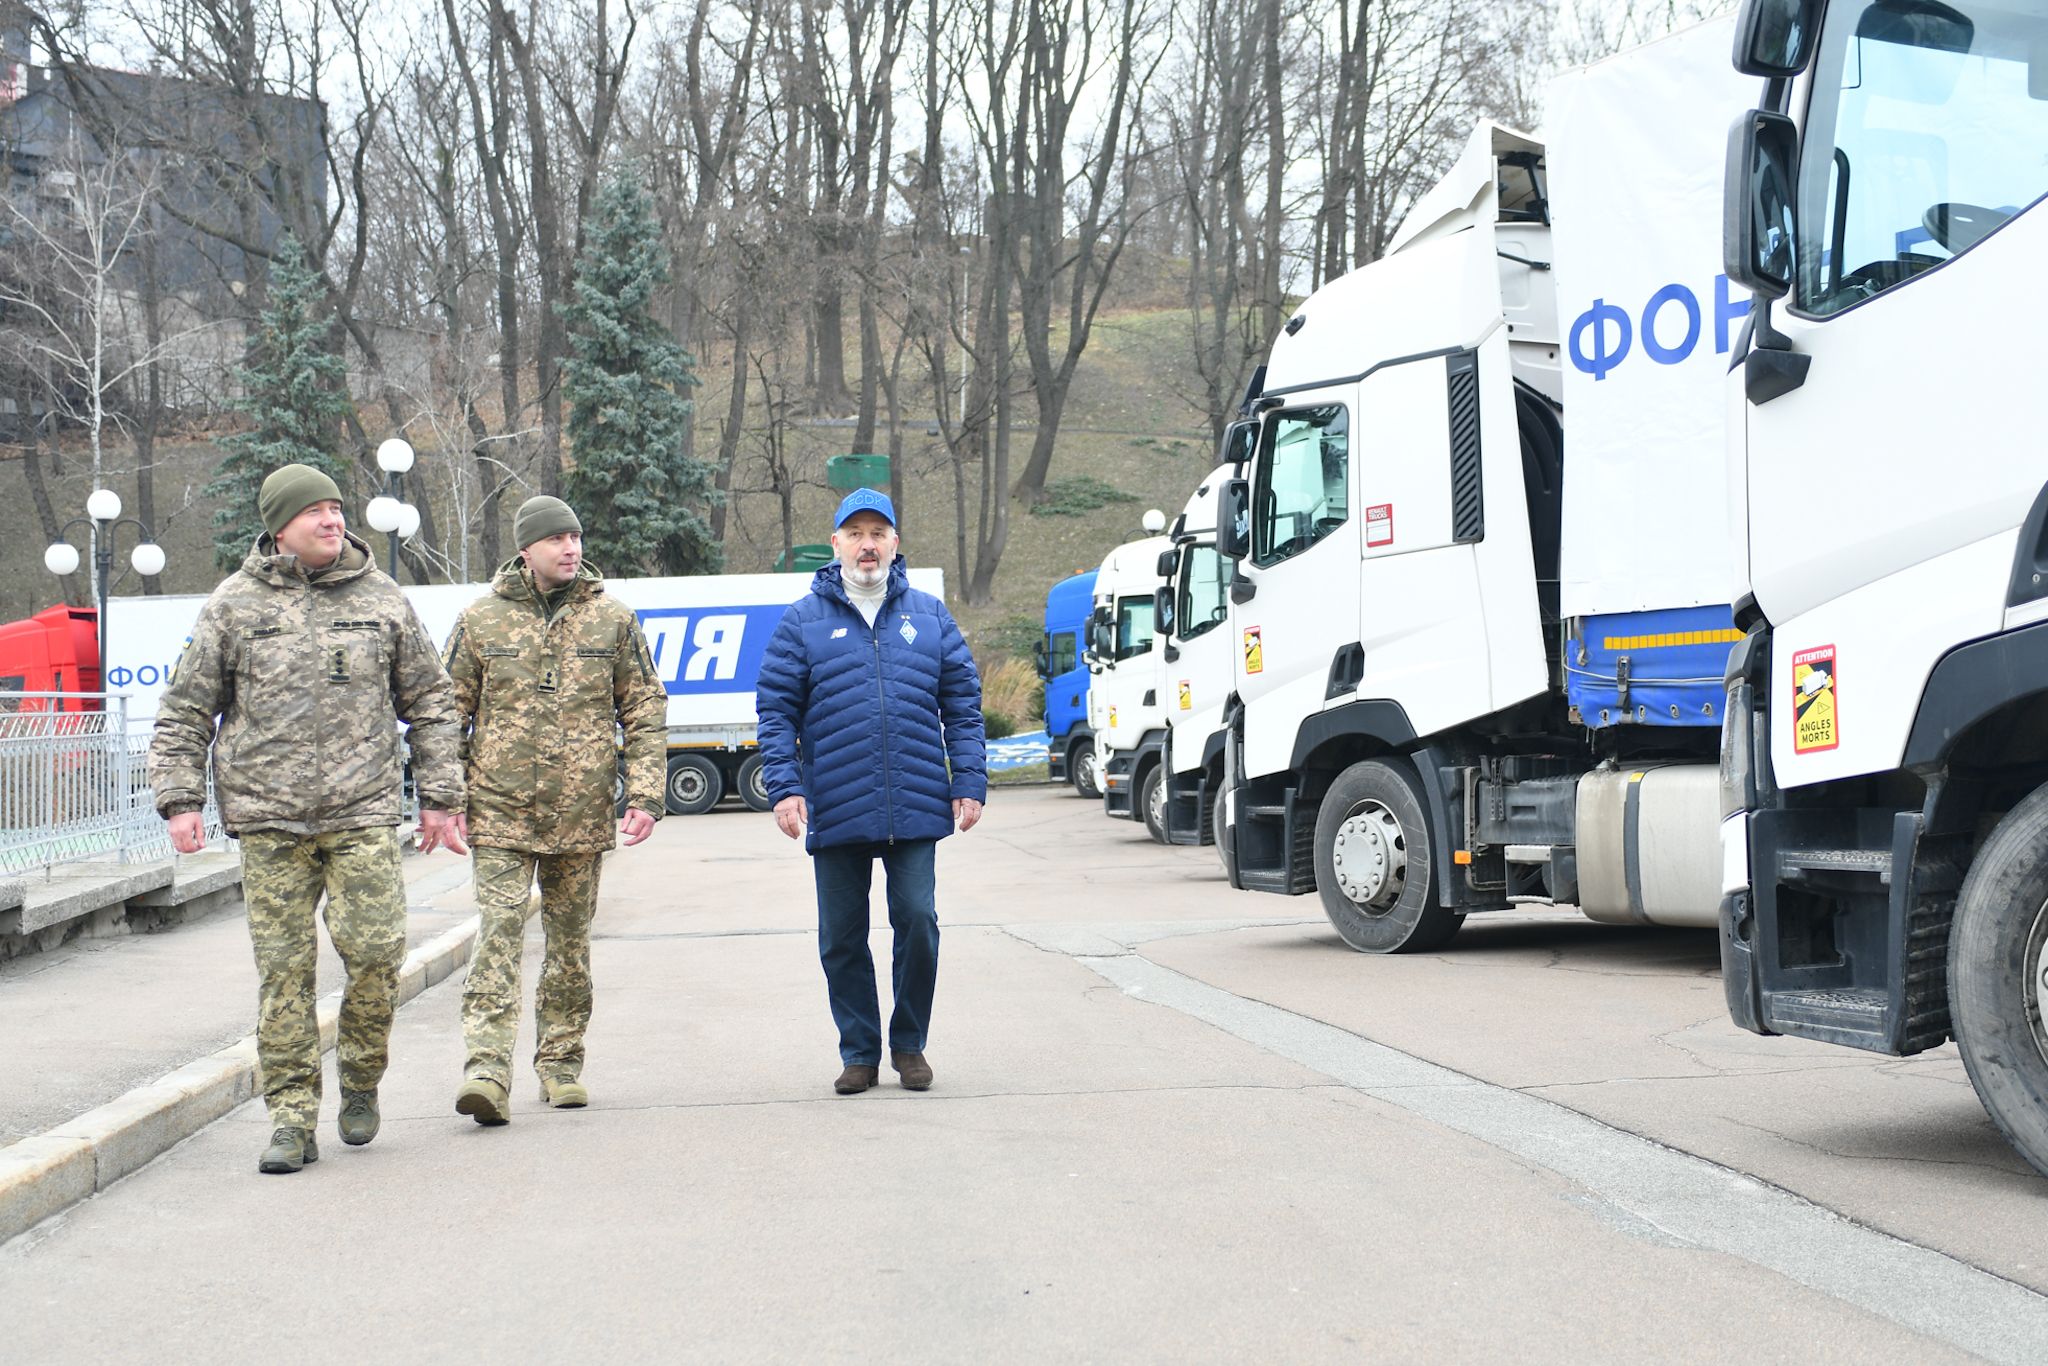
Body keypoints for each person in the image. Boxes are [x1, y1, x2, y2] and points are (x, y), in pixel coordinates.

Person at [149, 463, 468, 1175]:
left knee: (378, 956)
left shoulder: (381, 598)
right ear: (280, 527)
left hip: (362, 813)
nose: (333, 520)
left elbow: (432, 703)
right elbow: (186, 708)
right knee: (284, 976)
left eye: (336, 508)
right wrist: (179, 800)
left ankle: (360, 1079)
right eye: (316, 511)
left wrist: (443, 796)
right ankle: (291, 1118)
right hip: (270, 822)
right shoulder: (233, 605)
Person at [441, 495, 667, 1125]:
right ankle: (486, 1069)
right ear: (526, 549)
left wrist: (646, 792)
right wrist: (445, 798)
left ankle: (561, 1064)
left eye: (576, 536)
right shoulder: (481, 621)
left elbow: (644, 711)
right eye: (557, 539)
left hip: (581, 817)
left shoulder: (612, 620)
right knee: (500, 936)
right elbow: (443, 716)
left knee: (569, 947)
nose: (571, 548)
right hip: (499, 814)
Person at [755, 488, 987, 1095]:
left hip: (914, 802)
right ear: (835, 545)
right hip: (834, 803)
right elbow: (776, 710)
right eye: (854, 532)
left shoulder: (930, 616)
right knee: (841, 937)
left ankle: (909, 1045)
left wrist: (968, 779)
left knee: (917, 921)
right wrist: (785, 787)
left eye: (877, 533)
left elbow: (962, 706)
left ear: (895, 543)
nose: (867, 544)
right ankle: (859, 1051)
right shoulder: (803, 621)